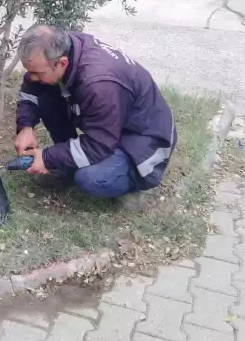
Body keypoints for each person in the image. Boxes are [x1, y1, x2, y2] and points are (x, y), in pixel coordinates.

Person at [14, 24, 176, 209]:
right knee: (45, 95)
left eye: (37, 73)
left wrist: (47, 158)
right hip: (113, 125)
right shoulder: (65, 47)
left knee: (91, 178)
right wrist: (25, 126)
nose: (32, 77)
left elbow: (99, 144)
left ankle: (137, 184)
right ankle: (68, 162)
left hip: (144, 140)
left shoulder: (98, 84)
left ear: (62, 63)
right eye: (29, 71)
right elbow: (31, 90)